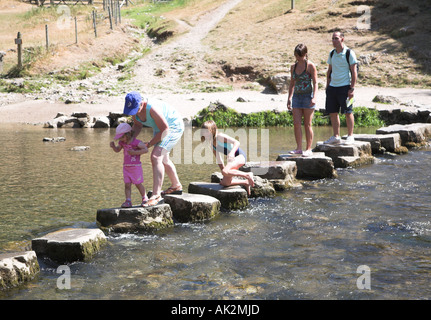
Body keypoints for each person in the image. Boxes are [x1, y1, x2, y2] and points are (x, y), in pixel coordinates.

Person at [123, 91, 184, 207]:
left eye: (136, 109)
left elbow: (165, 130)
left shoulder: (152, 109)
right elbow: (137, 125)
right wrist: (129, 141)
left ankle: (156, 195)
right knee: (163, 159)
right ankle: (176, 185)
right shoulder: (134, 110)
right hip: (160, 128)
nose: (134, 113)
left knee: (156, 157)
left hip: (172, 127)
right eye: (132, 111)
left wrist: (150, 143)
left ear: (142, 103)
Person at [200, 120, 254, 195]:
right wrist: (224, 173)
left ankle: (247, 175)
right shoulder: (211, 144)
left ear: (213, 130)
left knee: (225, 171)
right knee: (225, 183)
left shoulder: (220, 136)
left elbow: (236, 142)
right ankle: (245, 182)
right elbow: (219, 159)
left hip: (239, 156)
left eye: (207, 131)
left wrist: (231, 153)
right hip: (232, 160)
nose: (204, 133)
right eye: (203, 131)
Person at [324, 31, 358, 144]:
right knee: (333, 112)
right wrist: (327, 86)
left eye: (336, 38)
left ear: (342, 39)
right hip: (332, 88)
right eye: (333, 38)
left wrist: (352, 88)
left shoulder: (349, 53)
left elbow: (354, 72)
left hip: (345, 88)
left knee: (348, 111)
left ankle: (350, 135)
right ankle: (336, 136)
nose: (334, 41)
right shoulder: (332, 53)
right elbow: (329, 71)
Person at [287, 43, 318, 157]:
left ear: (305, 54)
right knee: (296, 124)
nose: (298, 58)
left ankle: (308, 149)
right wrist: (289, 98)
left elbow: (315, 82)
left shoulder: (310, 66)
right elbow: (292, 83)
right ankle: (298, 148)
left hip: (307, 97)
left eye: (300, 56)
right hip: (296, 97)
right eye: (296, 55)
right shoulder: (293, 67)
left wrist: (314, 97)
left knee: (307, 124)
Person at [110, 123, 149, 208]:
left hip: (135, 168)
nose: (121, 139)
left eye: (122, 137)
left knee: (138, 184)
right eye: (120, 138)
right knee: (127, 185)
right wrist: (113, 147)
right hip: (126, 167)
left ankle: (144, 198)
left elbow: (145, 150)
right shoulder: (122, 143)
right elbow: (117, 150)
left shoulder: (136, 142)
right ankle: (128, 200)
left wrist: (135, 152)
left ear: (128, 134)